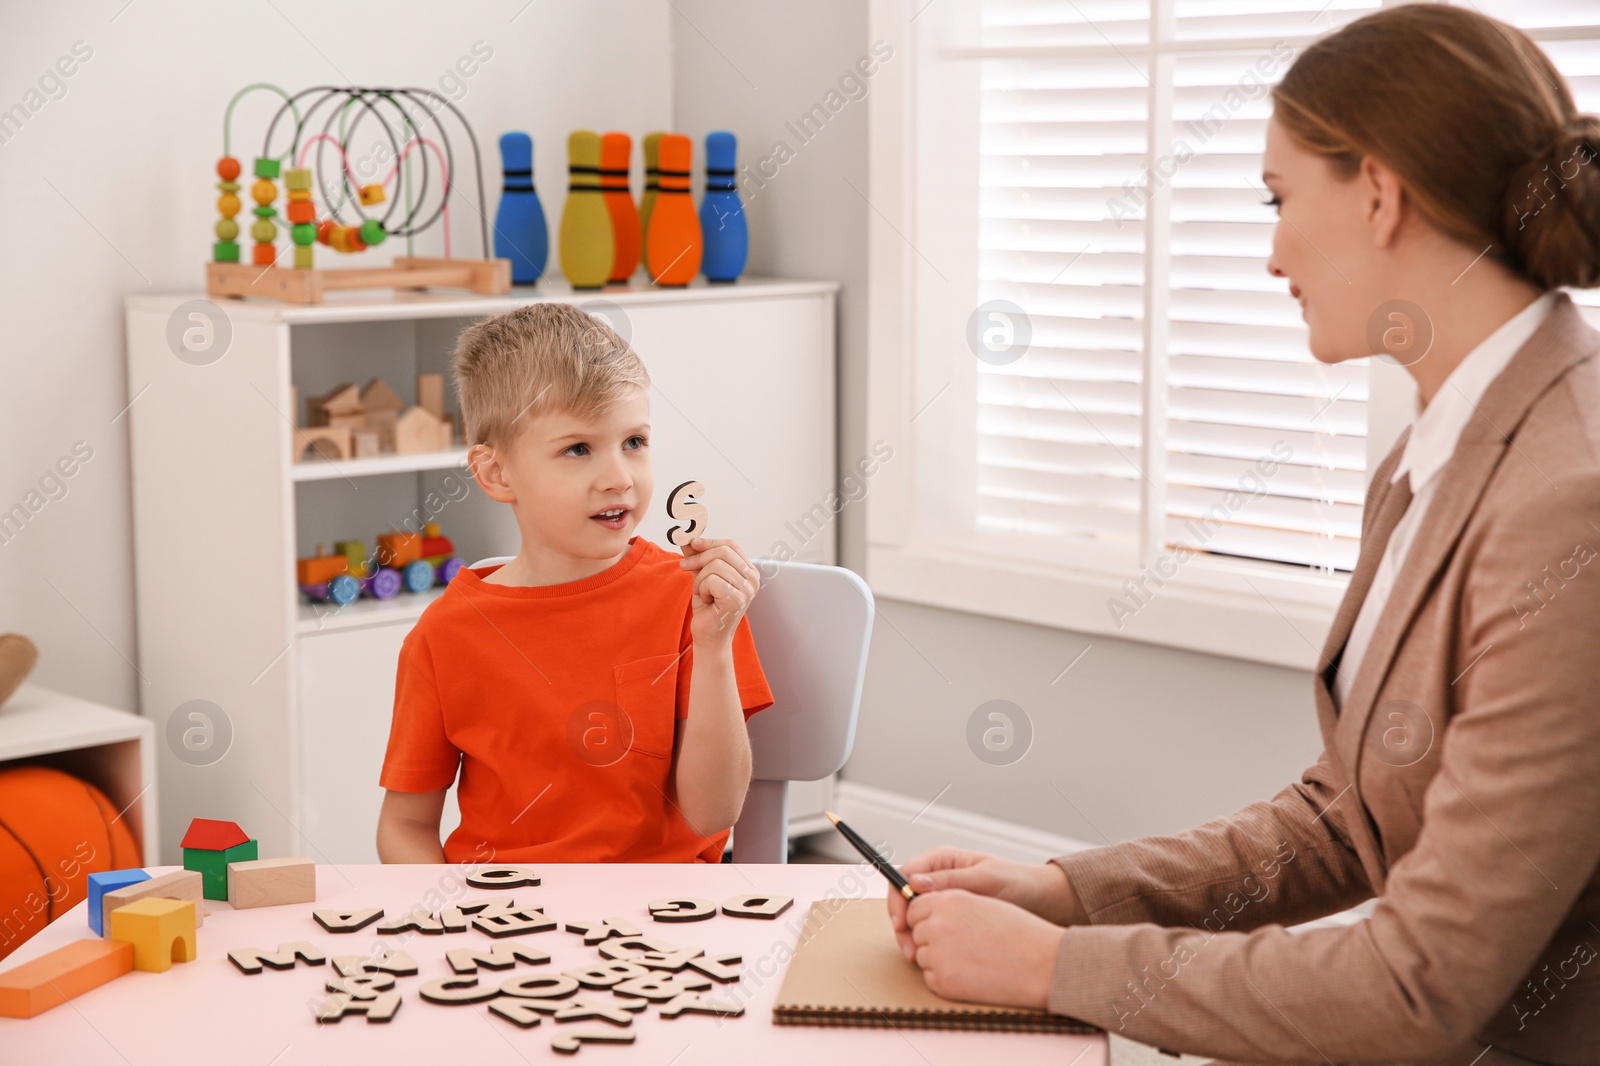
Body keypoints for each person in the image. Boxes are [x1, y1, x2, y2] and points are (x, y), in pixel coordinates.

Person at [889, 6, 1600, 1063]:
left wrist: (1051, 968)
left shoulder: (1563, 501)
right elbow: (1347, 813)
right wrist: (1064, 894)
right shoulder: (1437, 455)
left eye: (1277, 199)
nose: (1269, 256)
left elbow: (1416, 986)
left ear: (1377, 190)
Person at [375, 302, 772, 864]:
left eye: (634, 442)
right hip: (504, 923)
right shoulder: (445, 634)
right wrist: (453, 920)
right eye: (578, 449)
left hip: (663, 916)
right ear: (497, 473)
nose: (618, 478)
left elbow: (712, 815)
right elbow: (405, 826)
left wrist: (714, 649)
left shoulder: (695, 603)